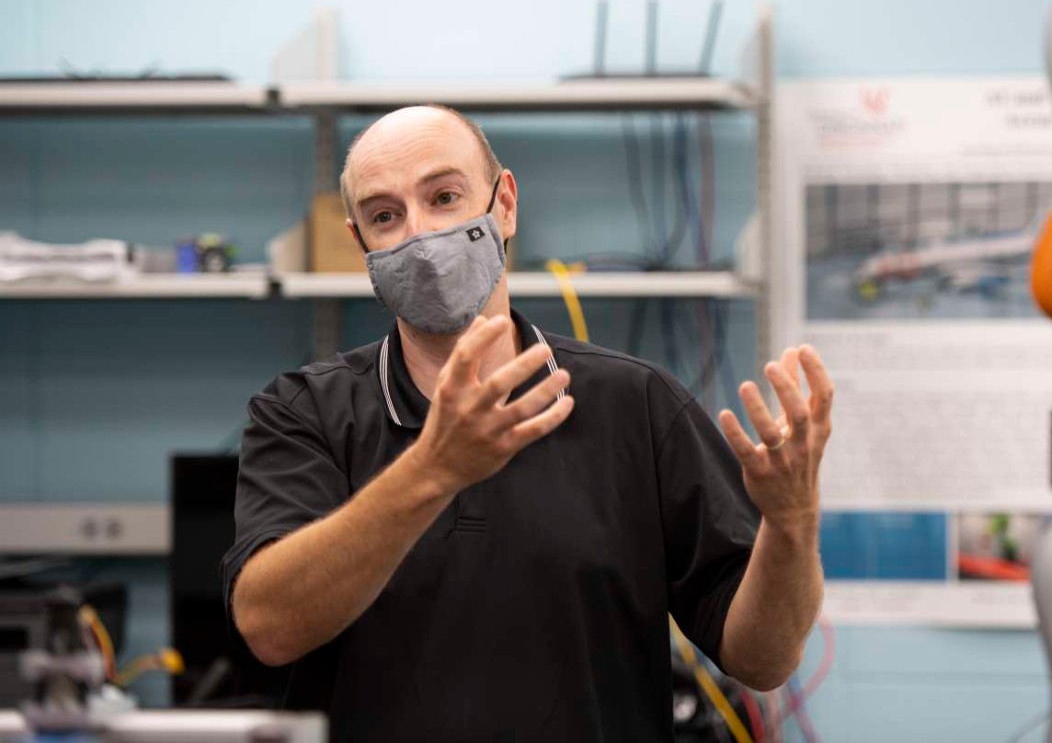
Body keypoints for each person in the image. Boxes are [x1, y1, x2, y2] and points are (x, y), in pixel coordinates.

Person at [220, 105, 834, 741]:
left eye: (445, 197)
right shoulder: (303, 414)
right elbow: (269, 627)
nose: (420, 235)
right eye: (385, 215)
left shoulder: (639, 406)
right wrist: (435, 469)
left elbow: (764, 660)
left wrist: (792, 527)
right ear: (362, 246)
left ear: (504, 204)